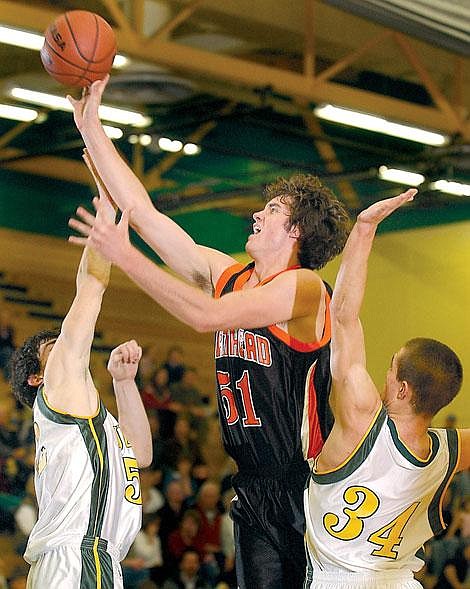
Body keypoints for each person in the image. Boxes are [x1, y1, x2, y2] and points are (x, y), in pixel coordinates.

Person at [67, 76, 350, 588]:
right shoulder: (230, 275)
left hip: (303, 488)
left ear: (296, 233)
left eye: (273, 211)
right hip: (252, 482)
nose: (257, 213)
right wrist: (91, 126)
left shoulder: (305, 289)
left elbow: (205, 317)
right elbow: (147, 216)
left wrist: (122, 254)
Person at [303, 189, 470, 588]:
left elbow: (343, 318)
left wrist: (363, 229)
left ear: (402, 390)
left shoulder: (363, 419)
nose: (384, 376)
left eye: (391, 369)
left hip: (340, 580)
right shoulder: (452, 451)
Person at [9, 153, 152, 588]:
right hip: (79, 560)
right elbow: (90, 285)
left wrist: (124, 384)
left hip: (89, 561)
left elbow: (140, 456)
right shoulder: (58, 389)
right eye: (51, 346)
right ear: (38, 377)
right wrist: (106, 203)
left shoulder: (85, 421)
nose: (67, 343)